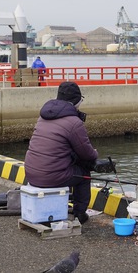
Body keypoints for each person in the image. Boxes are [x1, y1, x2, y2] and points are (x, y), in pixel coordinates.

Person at [24, 81, 98, 224]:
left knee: (66, 166)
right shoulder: (74, 122)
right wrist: (95, 153)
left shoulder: (43, 117)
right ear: (77, 101)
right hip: (50, 177)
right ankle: (80, 214)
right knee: (83, 175)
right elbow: (87, 154)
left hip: (31, 174)